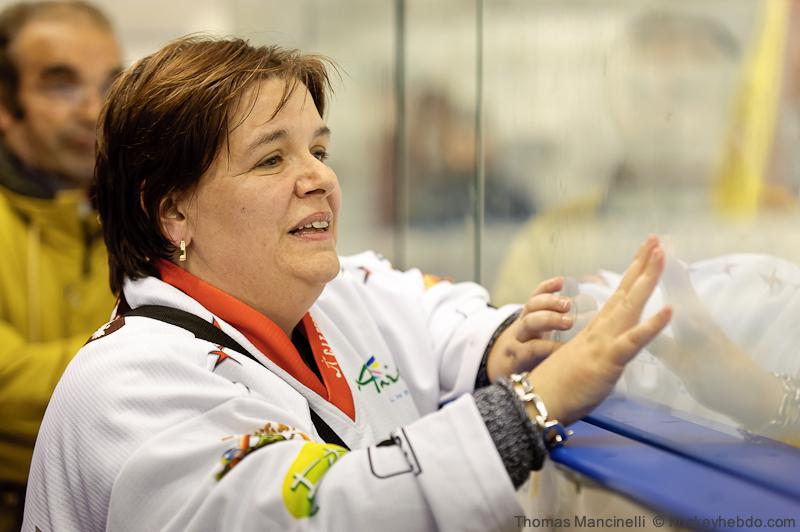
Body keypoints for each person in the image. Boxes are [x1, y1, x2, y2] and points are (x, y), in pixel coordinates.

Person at [22, 36, 670, 532]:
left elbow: (440, 319)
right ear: (172, 212)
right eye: (271, 159)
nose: (319, 179)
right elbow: (319, 513)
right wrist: (530, 408)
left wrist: (508, 342)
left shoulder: (333, 290)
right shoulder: (128, 385)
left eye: (319, 151)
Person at [0, 2, 121, 530]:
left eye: (110, 84)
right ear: (5, 103)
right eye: (61, 86)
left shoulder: (144, 211)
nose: (94, 110)